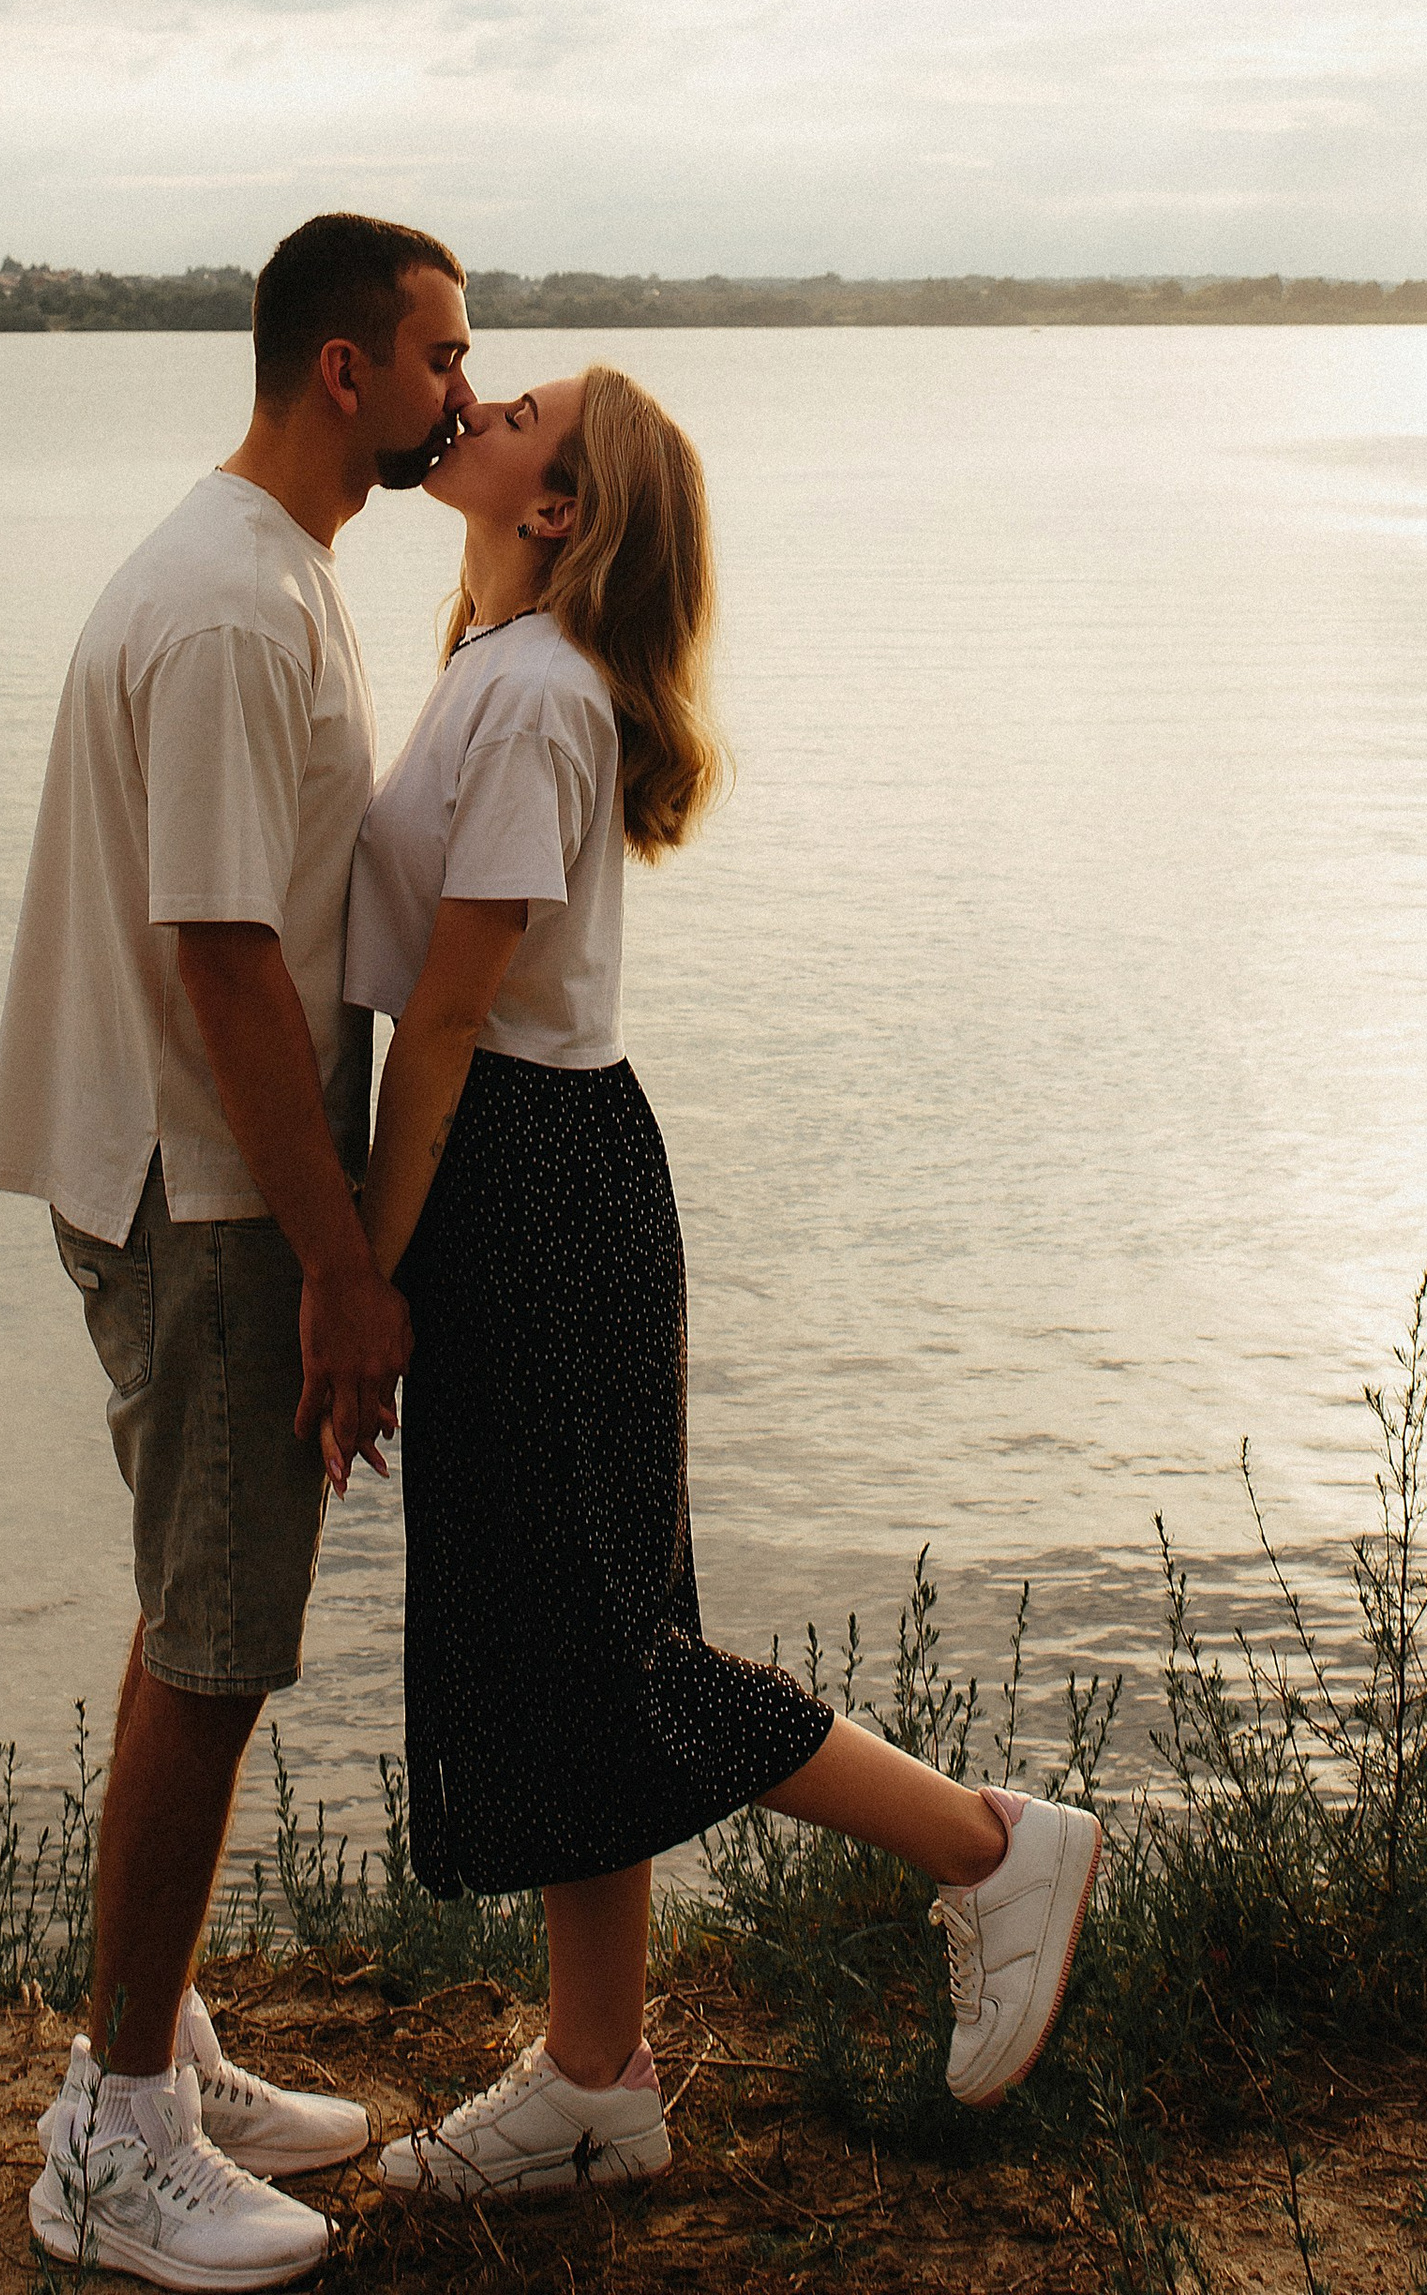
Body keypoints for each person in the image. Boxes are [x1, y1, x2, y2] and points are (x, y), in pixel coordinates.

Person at [339, 365, 1103, 2203]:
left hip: (526, 1172)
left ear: (559, 506)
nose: (478, 402)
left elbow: (447, 1014)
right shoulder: (503, 664)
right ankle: (596, 2080)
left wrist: (357, 1272)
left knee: (606, 1645)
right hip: (533, 1166)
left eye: (520, 409)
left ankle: (988, 1847)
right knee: (570, 1629)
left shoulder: (536, 695)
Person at [0, 212, 475, 2286]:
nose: (462, 391)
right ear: (342, 369)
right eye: (440, 357)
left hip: (199, 1186)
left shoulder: (266, 574)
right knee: (215, 1640)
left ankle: (154, 2036)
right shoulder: (222, 610)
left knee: (196, 1609)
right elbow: (221, 958)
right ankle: (110, 2144)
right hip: (206, 1201)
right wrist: (342, 1265)